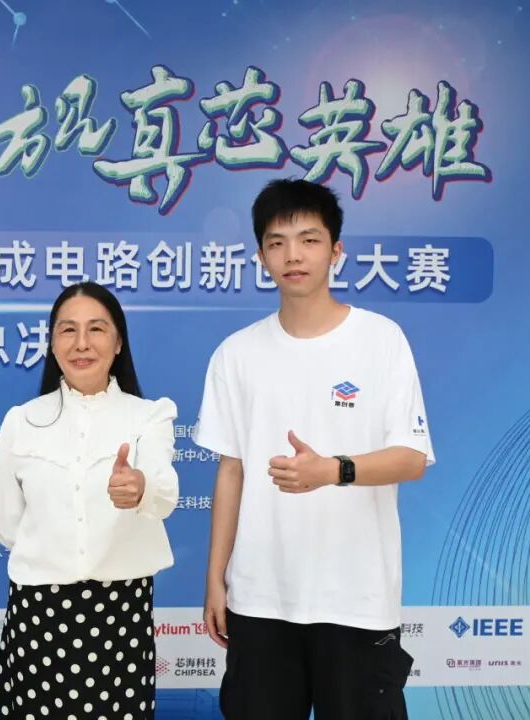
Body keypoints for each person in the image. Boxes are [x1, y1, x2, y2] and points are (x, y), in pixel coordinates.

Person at [196, 179, 433, 719]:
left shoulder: (381, 340)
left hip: (356, 600)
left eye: (309, 239)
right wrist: (215, 579)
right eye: (277, 243)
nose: (293, 255)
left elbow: (411, 458)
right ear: (261, 256)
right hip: (260, 597)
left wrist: (333, 470)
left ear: (336, 250)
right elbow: (231, 472)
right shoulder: (236, 354)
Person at [0, 281, 178, 720]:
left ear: (118, 342)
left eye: (96, 329)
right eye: (67, 330)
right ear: (52, 343)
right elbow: (5, 521)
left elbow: (164, 493)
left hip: (119, 615)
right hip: (38, 615)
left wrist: (140, 488)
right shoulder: (22, 421)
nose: (81, 343)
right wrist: (54, 551)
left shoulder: (148, 416)